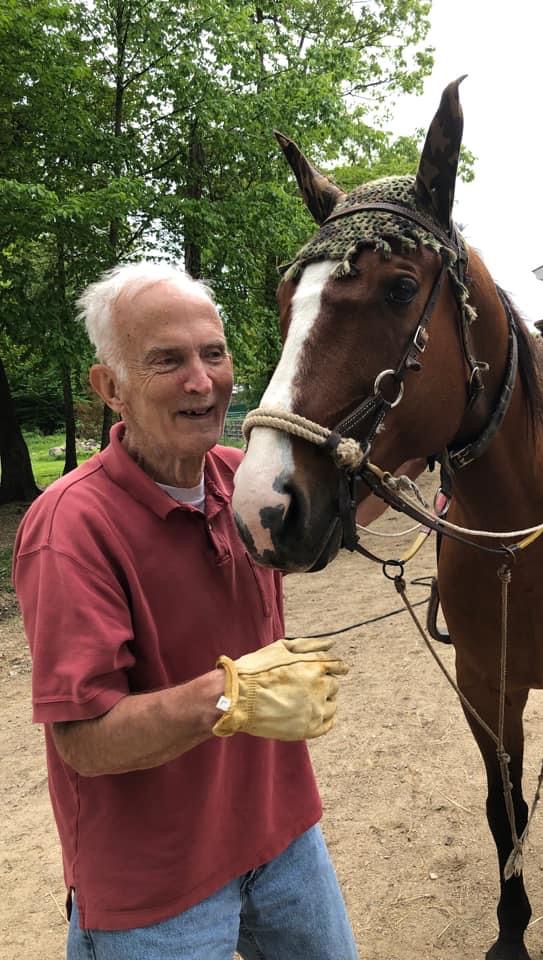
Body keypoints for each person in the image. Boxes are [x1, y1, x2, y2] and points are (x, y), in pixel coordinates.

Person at [12, 262, 362, 960]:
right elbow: (83, 739)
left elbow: (345, 510)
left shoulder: (242, 478)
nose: (203, 381)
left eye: (214, 353)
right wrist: (232, 696)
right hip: (155, 889)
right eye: (167, 360)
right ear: (109, 388)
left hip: (283, 836)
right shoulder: (72, 526)